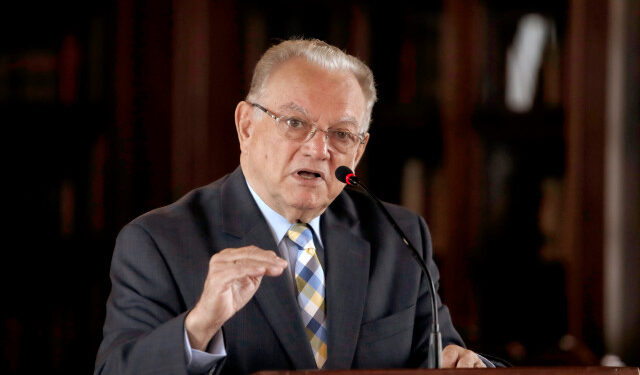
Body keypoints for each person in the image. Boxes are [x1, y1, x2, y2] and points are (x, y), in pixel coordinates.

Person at [94, 38, 493, 375]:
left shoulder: (399, 236)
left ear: (359, 149)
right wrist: (198, 329)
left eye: (341, 134)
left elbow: (449, 356)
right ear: (246, 126)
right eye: (294, 123)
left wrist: (468, 365)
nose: (319, 149)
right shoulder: (159, 242)